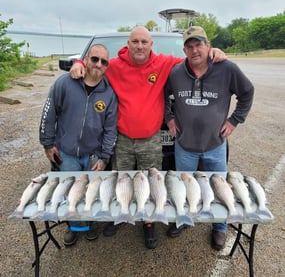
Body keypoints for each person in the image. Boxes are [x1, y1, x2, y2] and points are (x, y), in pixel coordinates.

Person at [70, 26, 226, 249]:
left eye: (144, 42)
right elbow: (92, 67)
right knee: (122, 179)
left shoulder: (163, 64)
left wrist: (215, 52)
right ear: (128, 44)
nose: (140, 46)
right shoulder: (113, 66)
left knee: (152, 183)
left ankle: (149, 223)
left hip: (152, 139)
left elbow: (194, 60)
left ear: (151, 44)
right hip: (122, 138)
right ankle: (123, 217)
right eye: (135, 42)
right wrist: (77, 64)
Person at [164, 26, 254, 250]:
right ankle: (185, 219)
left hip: (215, 145)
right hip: (185, 145)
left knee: (219, 186)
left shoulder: (227, 69)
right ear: (184, 50)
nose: (195, 50)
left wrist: (234, 120)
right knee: (184, 187)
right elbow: (163, 97)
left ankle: (219, 227)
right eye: (190, 46)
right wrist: (169, 118)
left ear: (208, 46)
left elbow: (247, 92)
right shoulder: (175, 73)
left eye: (199, 45)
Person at [39, 44, 118, 246]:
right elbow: (49, 115)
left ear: (107, 66)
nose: (98, 64)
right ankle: (73, 226)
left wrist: (104, 157)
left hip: (93, 155)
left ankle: (89, 224)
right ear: (86, 59)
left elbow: (110, 129)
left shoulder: (109, 93)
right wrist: (48, 144)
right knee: (71, 192)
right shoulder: (64, 83)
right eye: (94, 59)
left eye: (103, 62)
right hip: (67, 154)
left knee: (92, 191)